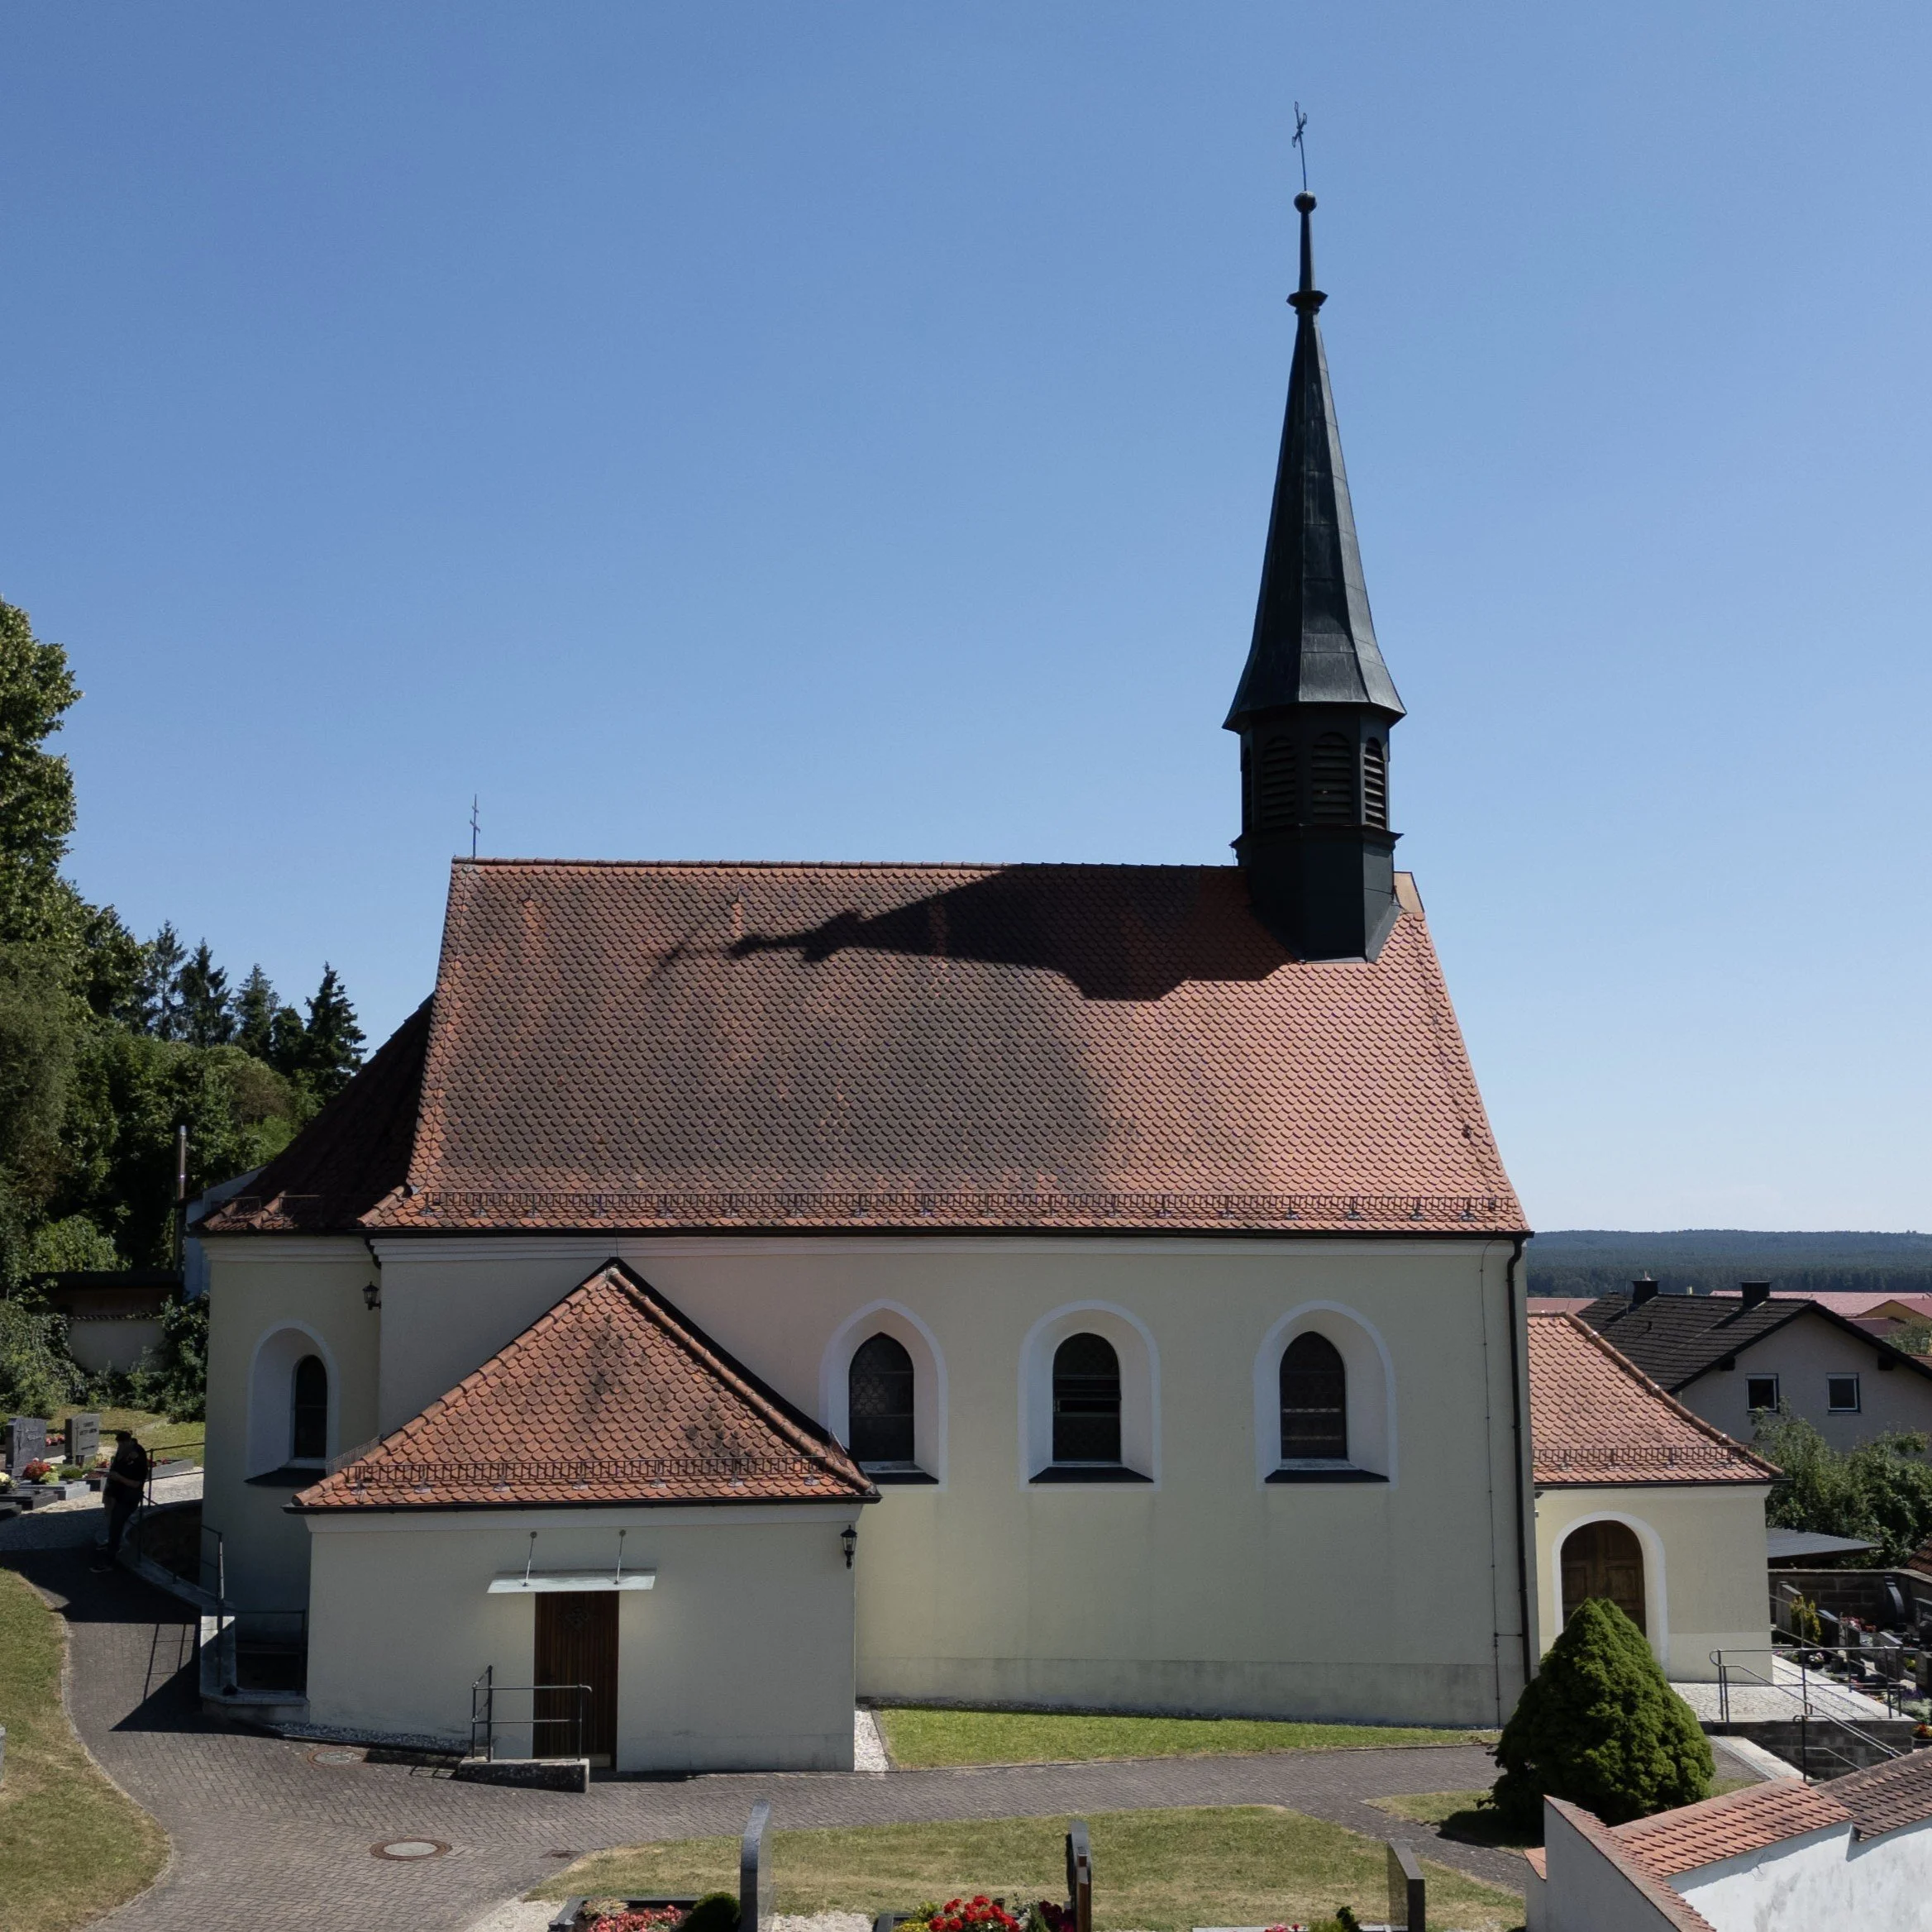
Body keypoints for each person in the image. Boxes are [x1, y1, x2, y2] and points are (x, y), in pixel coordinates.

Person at [97, 1429, 150, 1570]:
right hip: (116, 1494)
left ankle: (109, 1561)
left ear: (127, 1442)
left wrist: (119, 1478)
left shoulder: (138, 1456)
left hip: (128, 1497)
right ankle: (111, 1550)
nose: (119, 1448)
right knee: (113, 1523)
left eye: (121, 1445)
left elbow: (137, 1483)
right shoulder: (123, 1453)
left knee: (116, 1525)